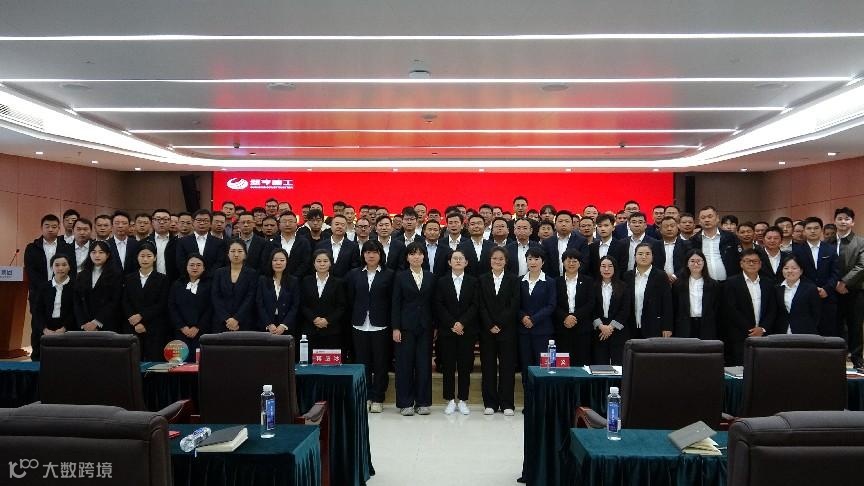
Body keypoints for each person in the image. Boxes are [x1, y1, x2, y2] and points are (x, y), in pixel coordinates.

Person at [347, 240, 395, 413]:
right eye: (367, 252)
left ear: (380, 254)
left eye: (374, 252)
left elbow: (392, 301)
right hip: (359, 325)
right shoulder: (354, 274)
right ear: (363, 255)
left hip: (381, 325)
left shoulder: (390, 274)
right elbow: (350, 299)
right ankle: (365, 396)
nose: (371, 255)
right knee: (362, 364)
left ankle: (378, 398)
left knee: (381, 363)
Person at [391, 242, 435, 416]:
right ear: (407, 257)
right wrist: (395, 327)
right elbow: (395, 303)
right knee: (404, 365)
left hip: (425, 326)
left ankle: (423, 402)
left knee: (424, 364)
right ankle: (405, 402)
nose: (416, 257)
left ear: (424, 256)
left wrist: (435, 326)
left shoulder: (431, 276)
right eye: (412, 254)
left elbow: (433, 303)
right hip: (405, 327)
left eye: (419, 254)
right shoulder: (400, 277)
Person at [435, 249, 480, 415]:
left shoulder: (473, 281)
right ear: (449, 262)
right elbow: (439, 305)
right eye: (455, 258)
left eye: (461, 258)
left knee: (464, 366)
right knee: (448, 366)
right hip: (448, 331)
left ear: (466, 262)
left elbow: (475, 305)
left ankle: (462, 399)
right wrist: (453, 324)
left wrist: (462, 323)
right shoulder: (441, 281)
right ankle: (449, 399)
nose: (458, 261)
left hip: (467, 331)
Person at [477, 246, 520, 416]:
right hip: (487, 330)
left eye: (501, 259)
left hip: (507, 330)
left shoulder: (513, 279)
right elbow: (480, 305)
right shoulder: (482, 279)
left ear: (506, 261)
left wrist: (500, 323)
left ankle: (507, 403)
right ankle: (490, 403)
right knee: (488, 367)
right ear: (490, 261)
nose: (497, 261)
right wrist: (490, 324)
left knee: (507, 368)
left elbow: (514, 304)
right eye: (494, 258)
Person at [723, 249, 778, 365]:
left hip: (764, 335)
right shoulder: (731, 283)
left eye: (755, 261)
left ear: (760, 264)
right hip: (740, 336)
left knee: (764, 367)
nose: (751, 264)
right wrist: (751, 330)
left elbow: (772, 309)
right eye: (748, 261)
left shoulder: (768, 283)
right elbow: (731, 310)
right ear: (741, 264)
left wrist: (762, 328)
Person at [122, 242, 170, 361]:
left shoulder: (162, 279)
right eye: (142, 256)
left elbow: (162, 304)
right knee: (132, 361)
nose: (145, 259)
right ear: (137, 257)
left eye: (149, 256)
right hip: (132, 326)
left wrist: (142, 316)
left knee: (154, 362)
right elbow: (125, 301)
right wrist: (136, 322)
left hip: (154, 327)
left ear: (154, 258)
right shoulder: (129, 278)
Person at [792, 216, 840, 336]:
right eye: (809, 228)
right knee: (808, 332)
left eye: (816, 228)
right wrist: (811, 289)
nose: (812, 231)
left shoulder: (831, 249)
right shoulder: (797, 251)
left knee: (828, 332)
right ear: (804, 231)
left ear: (821, 230)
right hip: (805, 296)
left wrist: (827, 289)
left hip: (827, 296)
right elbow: (796, 273)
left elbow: (836, 272)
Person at [518, 247, 557, 380]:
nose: (533, 262)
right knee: (525, 366)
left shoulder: (550, 282)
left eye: (536, 259)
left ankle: (541, 393)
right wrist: (523, 317)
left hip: (543, 331)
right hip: (524, 331)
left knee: (543, 367)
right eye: (530, 259)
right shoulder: (519, 281)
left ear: (543, 262)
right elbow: (515, 304)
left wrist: (533, 319)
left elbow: (551, 305)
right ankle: (527, 392)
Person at [301, 249, 348, 355]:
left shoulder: (338, 283)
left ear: (330, 263)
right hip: (310, 329)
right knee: (310, 361)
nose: (322, 264)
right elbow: (303, 304)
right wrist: (314, 318)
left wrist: (327, 320)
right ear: (314, 263)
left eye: (325, 261)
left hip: (332, 330)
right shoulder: (306, 281)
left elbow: (341, 306)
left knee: (330, 362)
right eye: (318, 261)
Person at [833, 207, 864, 367]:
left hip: (855, 290)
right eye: (839, 218)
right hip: (832, 291)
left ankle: (857, 358)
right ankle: (837, 357)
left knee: (855, 325)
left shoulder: (861, 242)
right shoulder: (828, 242)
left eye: (847, 219)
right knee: (835, 324)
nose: (843, 221)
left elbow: (862, 266)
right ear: (834, 221)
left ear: (852, 222)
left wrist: (844, 282)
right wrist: (835, 284)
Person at [29, 254, 75, 360]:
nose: (60, 268)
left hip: (67, 329)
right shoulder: (43, 287)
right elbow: (37, 312)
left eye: (64, 265)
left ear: (69, 267)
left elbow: (75, 312)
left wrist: (64, 328)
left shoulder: (76, 287)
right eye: (57, 265)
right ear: (52, 267)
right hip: (45, 328)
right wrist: (44, 329)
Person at [553, 249, 595, 365]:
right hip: (562, 327)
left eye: (575, 261)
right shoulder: (556, 282)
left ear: (580, 263)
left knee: (582, 363)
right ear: (563, 263)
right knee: (563, 364)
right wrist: (565, 317)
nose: (571, 264)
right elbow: (553, 303)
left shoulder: (588, 281)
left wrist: (574, 317)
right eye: (568, 261)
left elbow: (591, 303)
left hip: (582, 327)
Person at [623, 242, 673, 338]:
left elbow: (667, 303)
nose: (644, 257)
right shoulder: (627, 276)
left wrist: (667, 326)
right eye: (640, 254)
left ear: (652, 256)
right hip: (630, 326)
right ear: (635, 256)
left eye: (647, 254)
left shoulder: (661, 276)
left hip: (653, 325)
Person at [73, 240, 123, 333]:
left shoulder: (116, 275)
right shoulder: (81, 275)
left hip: (107, 324)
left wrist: (96, 322)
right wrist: (83, 323)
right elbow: (77, 301)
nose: (97, 255)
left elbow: (114, 301)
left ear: (107, 255)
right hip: (85, 326)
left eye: (101, 252)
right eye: (93, 252)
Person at [168, 254, 211, 359]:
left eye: (198, 265)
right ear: (186, 267)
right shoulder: (177, 284)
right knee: (182, 362)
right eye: (191, 265)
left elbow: (210, 308)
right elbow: (172, 307)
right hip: (181, 332)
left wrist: (198, 327)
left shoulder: (210, 284)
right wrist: (183, 327)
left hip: (203, 332)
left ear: (204, 268)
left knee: (201, 362)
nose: (195, 267)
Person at [211, 239, 259, 332]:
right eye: (232, 251)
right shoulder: (219, 273)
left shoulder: (252, 274)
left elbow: (250, 298)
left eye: (240, 251)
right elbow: (215, 296)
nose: (236, 254)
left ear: (245, 254)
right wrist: (227, 319)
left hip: (244, 321)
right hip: (222, 322)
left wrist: (237, 318)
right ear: (228, 254)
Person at [591, 256, 631, 365]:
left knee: (619, 366)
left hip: (618, 332)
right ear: (599, 268)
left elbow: (625, 310)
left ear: (615, 268)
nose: (606, 269)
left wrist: (610, 327)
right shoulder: (593, 286)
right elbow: (591, 309)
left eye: (610, 266)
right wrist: (601, 326)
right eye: (603, 266)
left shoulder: (624, 287)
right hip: (599, 332)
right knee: (599, 365)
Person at [672, 250, 720, 339]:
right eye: (692, 261)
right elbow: (675, 307)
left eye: (699, 261)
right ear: (687, 264)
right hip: (684, 325)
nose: (696, 264)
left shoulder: (713, 285)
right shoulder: (678, 285)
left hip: (707, 326)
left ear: (704, 263)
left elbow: (716, 308)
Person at [257, 248, 300, 348]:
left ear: (287, 262)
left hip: (286, 326)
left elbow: (295, 305)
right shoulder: (263, 280)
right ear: (271, 262)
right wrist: (269, 324)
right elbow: (259, 303)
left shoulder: (293, 281)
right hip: (266, 326)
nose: (278, 263)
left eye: (282, 260)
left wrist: (283, 325)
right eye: (275, 260)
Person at [688, 206, 741, 281]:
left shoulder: (730, 237)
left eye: (710, 217)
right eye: (703, 218)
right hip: (704, 282)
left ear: (717, 218)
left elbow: (739, 259)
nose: (706, 220)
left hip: (729, 282)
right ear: (699, 221)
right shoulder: (694, 240)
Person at [25, 214, 74, 294]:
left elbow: (71, 269)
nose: (50, 229)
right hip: (38, 292)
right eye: (47, 227)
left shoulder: (67, 248)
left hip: (61, 290)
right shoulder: (32, 248)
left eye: (54, 227)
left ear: (59, 228)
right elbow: (30, 270)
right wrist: (44, 286)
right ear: (41, 228)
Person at [776, 255, 822, 335]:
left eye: (794, 268)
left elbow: (816, 313)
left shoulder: (811, 289)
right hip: (781, 332)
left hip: (805, 333)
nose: (790, 271)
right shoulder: (776, 289)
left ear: (801, 271)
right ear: (782, 270)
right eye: (786, 268)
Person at [176, 209, 226, 277]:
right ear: (193, 222)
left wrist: (207, 277)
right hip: (189, 279)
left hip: (211, 279)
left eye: (205, 221)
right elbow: (181, 262)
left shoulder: (219, 242)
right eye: (199, 220)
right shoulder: (182, 241)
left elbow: (219, 262)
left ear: (210, 223)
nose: (202, 223)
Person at [541, 210, 589, 279]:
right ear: (555, 225)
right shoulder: (547, 242)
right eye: (560, 221)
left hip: (574, 279)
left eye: (567, 221)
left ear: (572, 225)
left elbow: (584, 262)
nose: (563, 224)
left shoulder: (581, 241)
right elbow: (544, 264)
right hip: (552, 280)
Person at [316, 214, 359, 278]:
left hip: (346, 282)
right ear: (331, 226)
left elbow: (355, 267)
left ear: (346, 228)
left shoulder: (353, 246)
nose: (339, 227)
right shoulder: (321, 245)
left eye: (342, 225)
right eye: (337, 224)